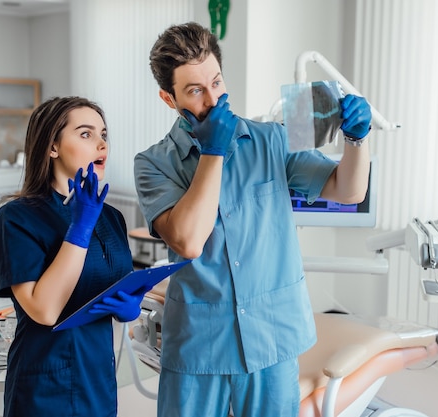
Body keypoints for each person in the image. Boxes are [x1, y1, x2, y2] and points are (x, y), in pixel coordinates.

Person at [134, 22, 372, 417]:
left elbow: (348, 191)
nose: (213, 98)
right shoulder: (154, 164)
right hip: (199, 346)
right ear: (167, 97)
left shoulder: (272, 139)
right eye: (194, 91)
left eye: (216, 82)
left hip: (271, 337)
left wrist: (357, 140)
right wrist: (213, 151)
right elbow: (188, 241)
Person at [0, 96, 146, 417]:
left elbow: (112, 291)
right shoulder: (15, 218)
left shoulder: (111, 217)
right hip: (44, 384)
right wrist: (80, 227)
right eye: (86, 134)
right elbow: (44, 311)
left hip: (97, 378)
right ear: (52, 147)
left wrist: (130, 308)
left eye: (104, 134)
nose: (101, 143)